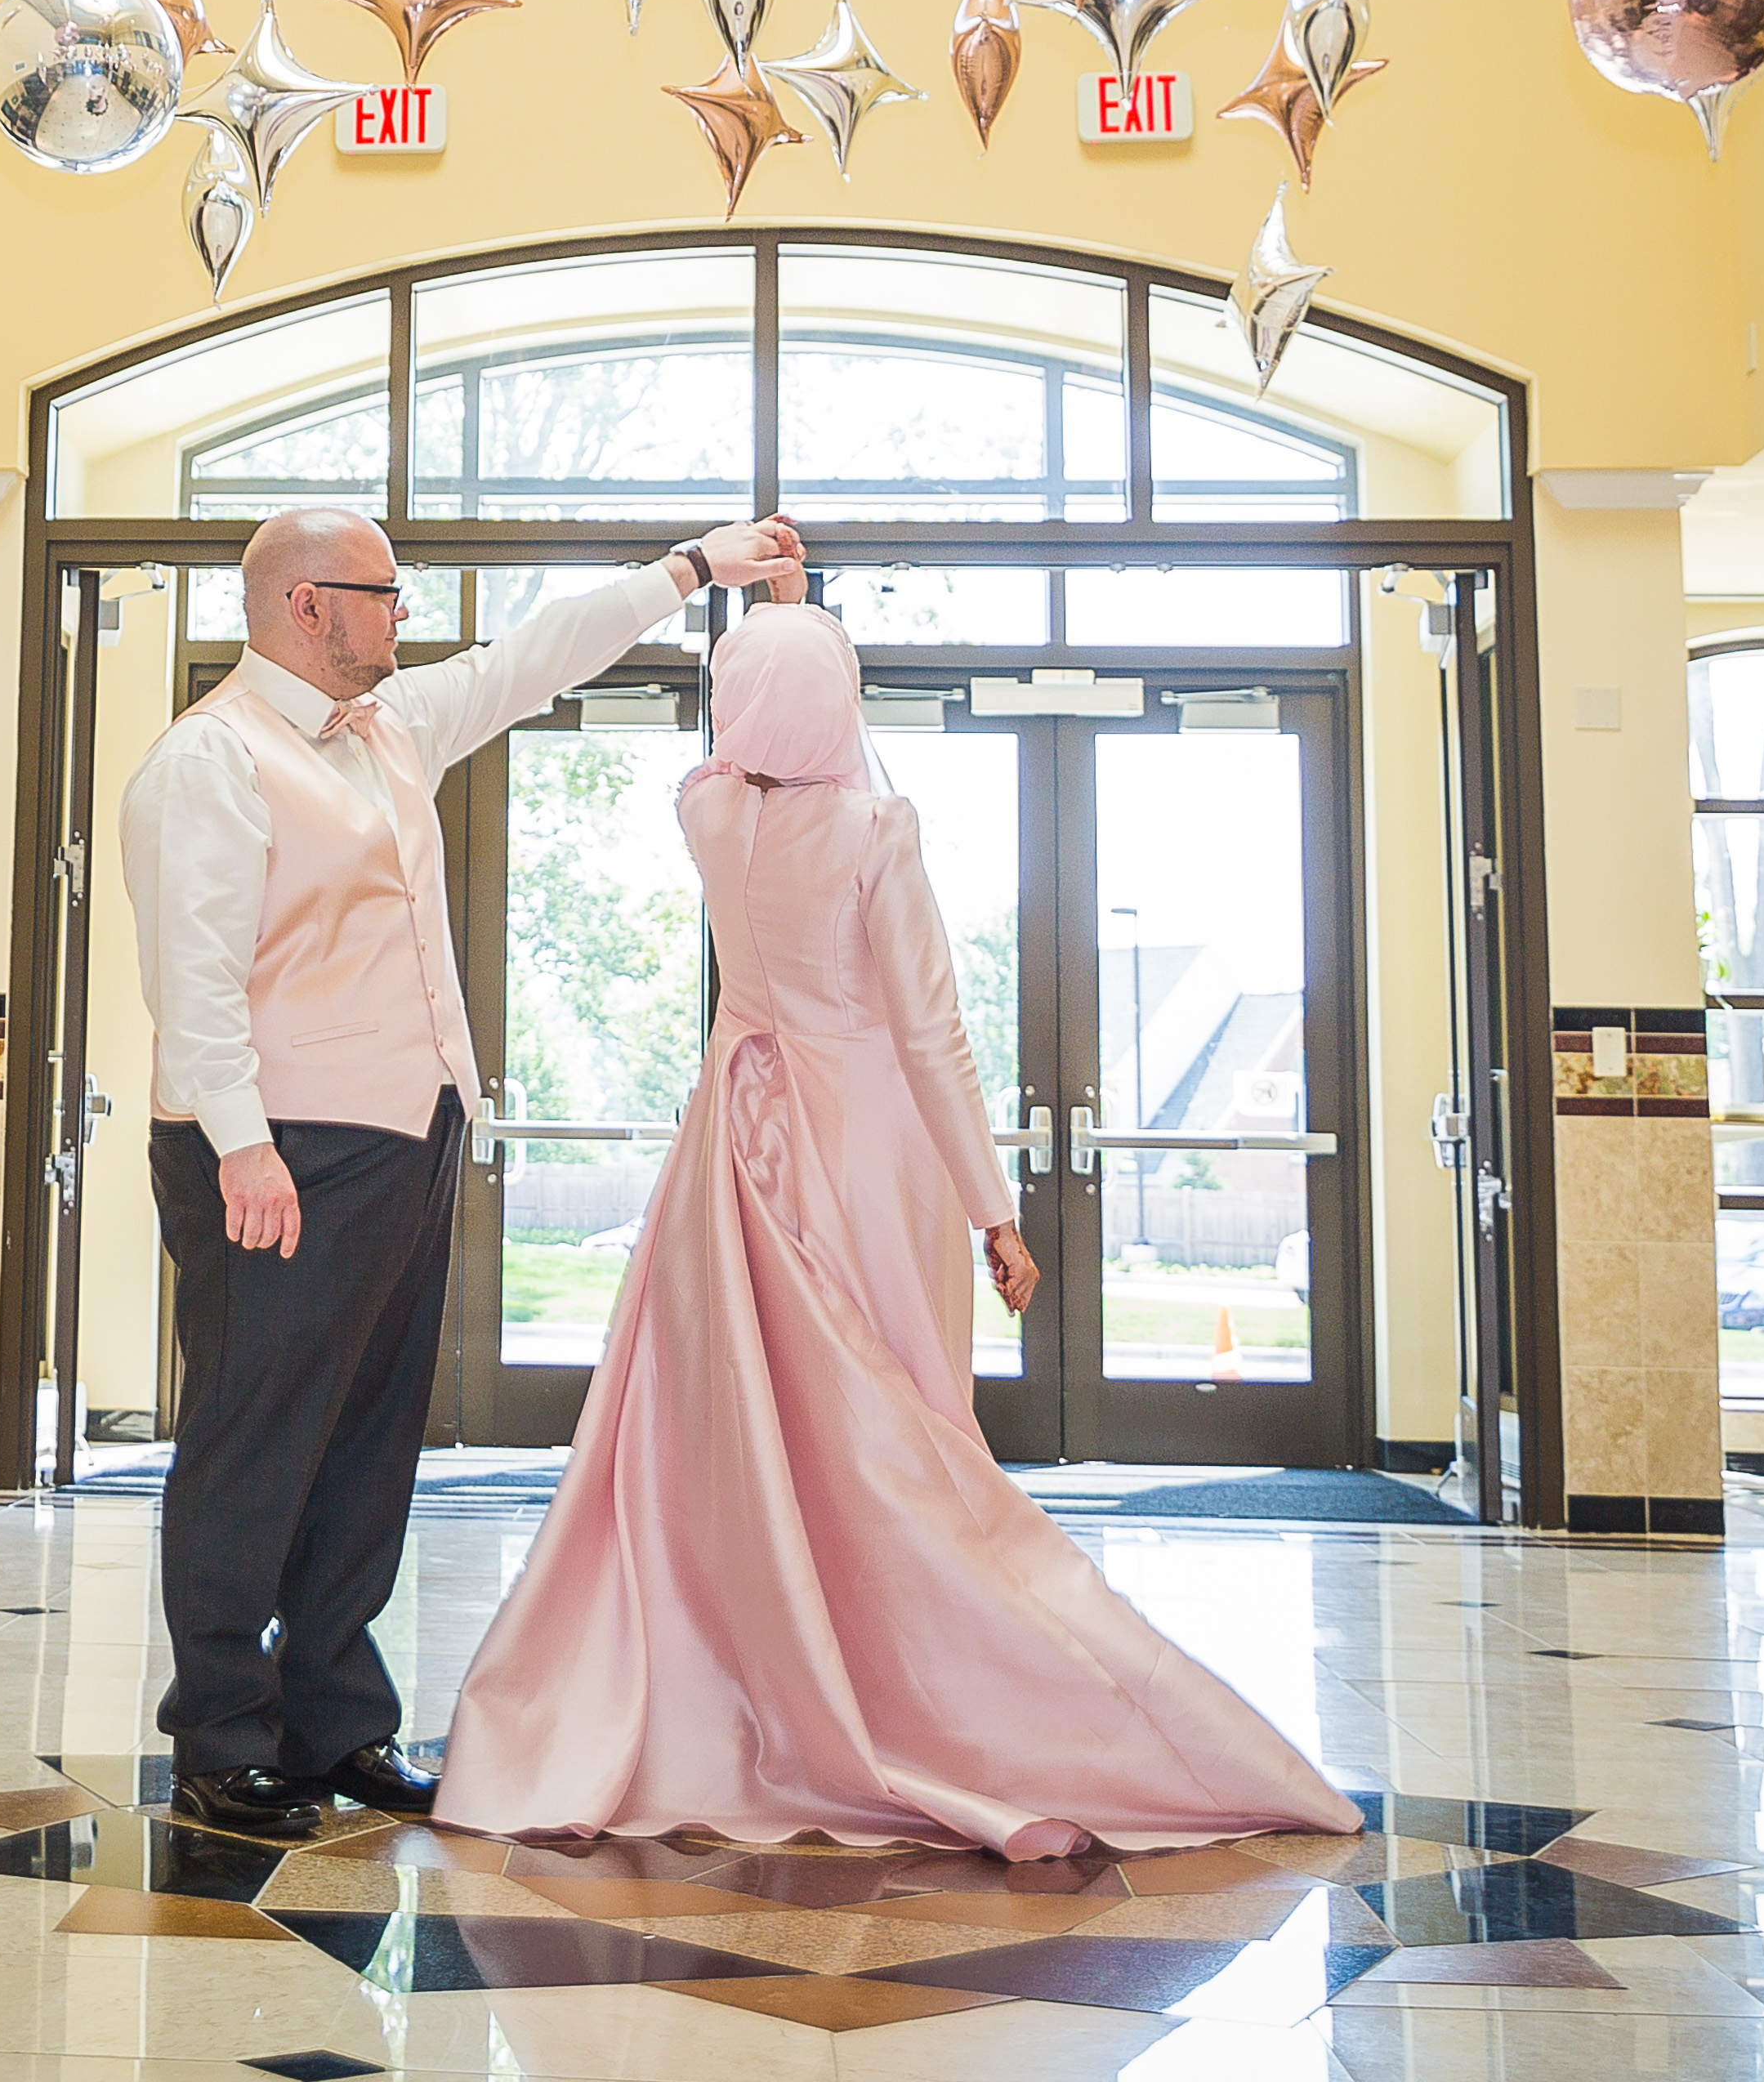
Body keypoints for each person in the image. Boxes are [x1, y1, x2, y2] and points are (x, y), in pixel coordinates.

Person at [433, 593, 1360, 1855]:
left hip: (736, 1140)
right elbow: (932, 1036)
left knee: (748, 1418)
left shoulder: (705, 813)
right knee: (897, 1424)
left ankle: (758, 1673)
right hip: (865, 1146)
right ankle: (904, 1679)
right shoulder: (879, 832)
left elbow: (739, 746)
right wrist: (995, 1211)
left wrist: (773, 622)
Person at [118, 505, 806, 1844]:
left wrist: (688, 569)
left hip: (403, 1135)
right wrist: (242, 1146)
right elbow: (191, 977)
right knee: (254, 1440)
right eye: (381, 592)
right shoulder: (210, 759)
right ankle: (222, 1736)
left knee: (366, 1443)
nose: (402, 614)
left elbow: (535, 654)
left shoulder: (390, 729)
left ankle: (335, 1721)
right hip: (274, 1150)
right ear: (305, 606)